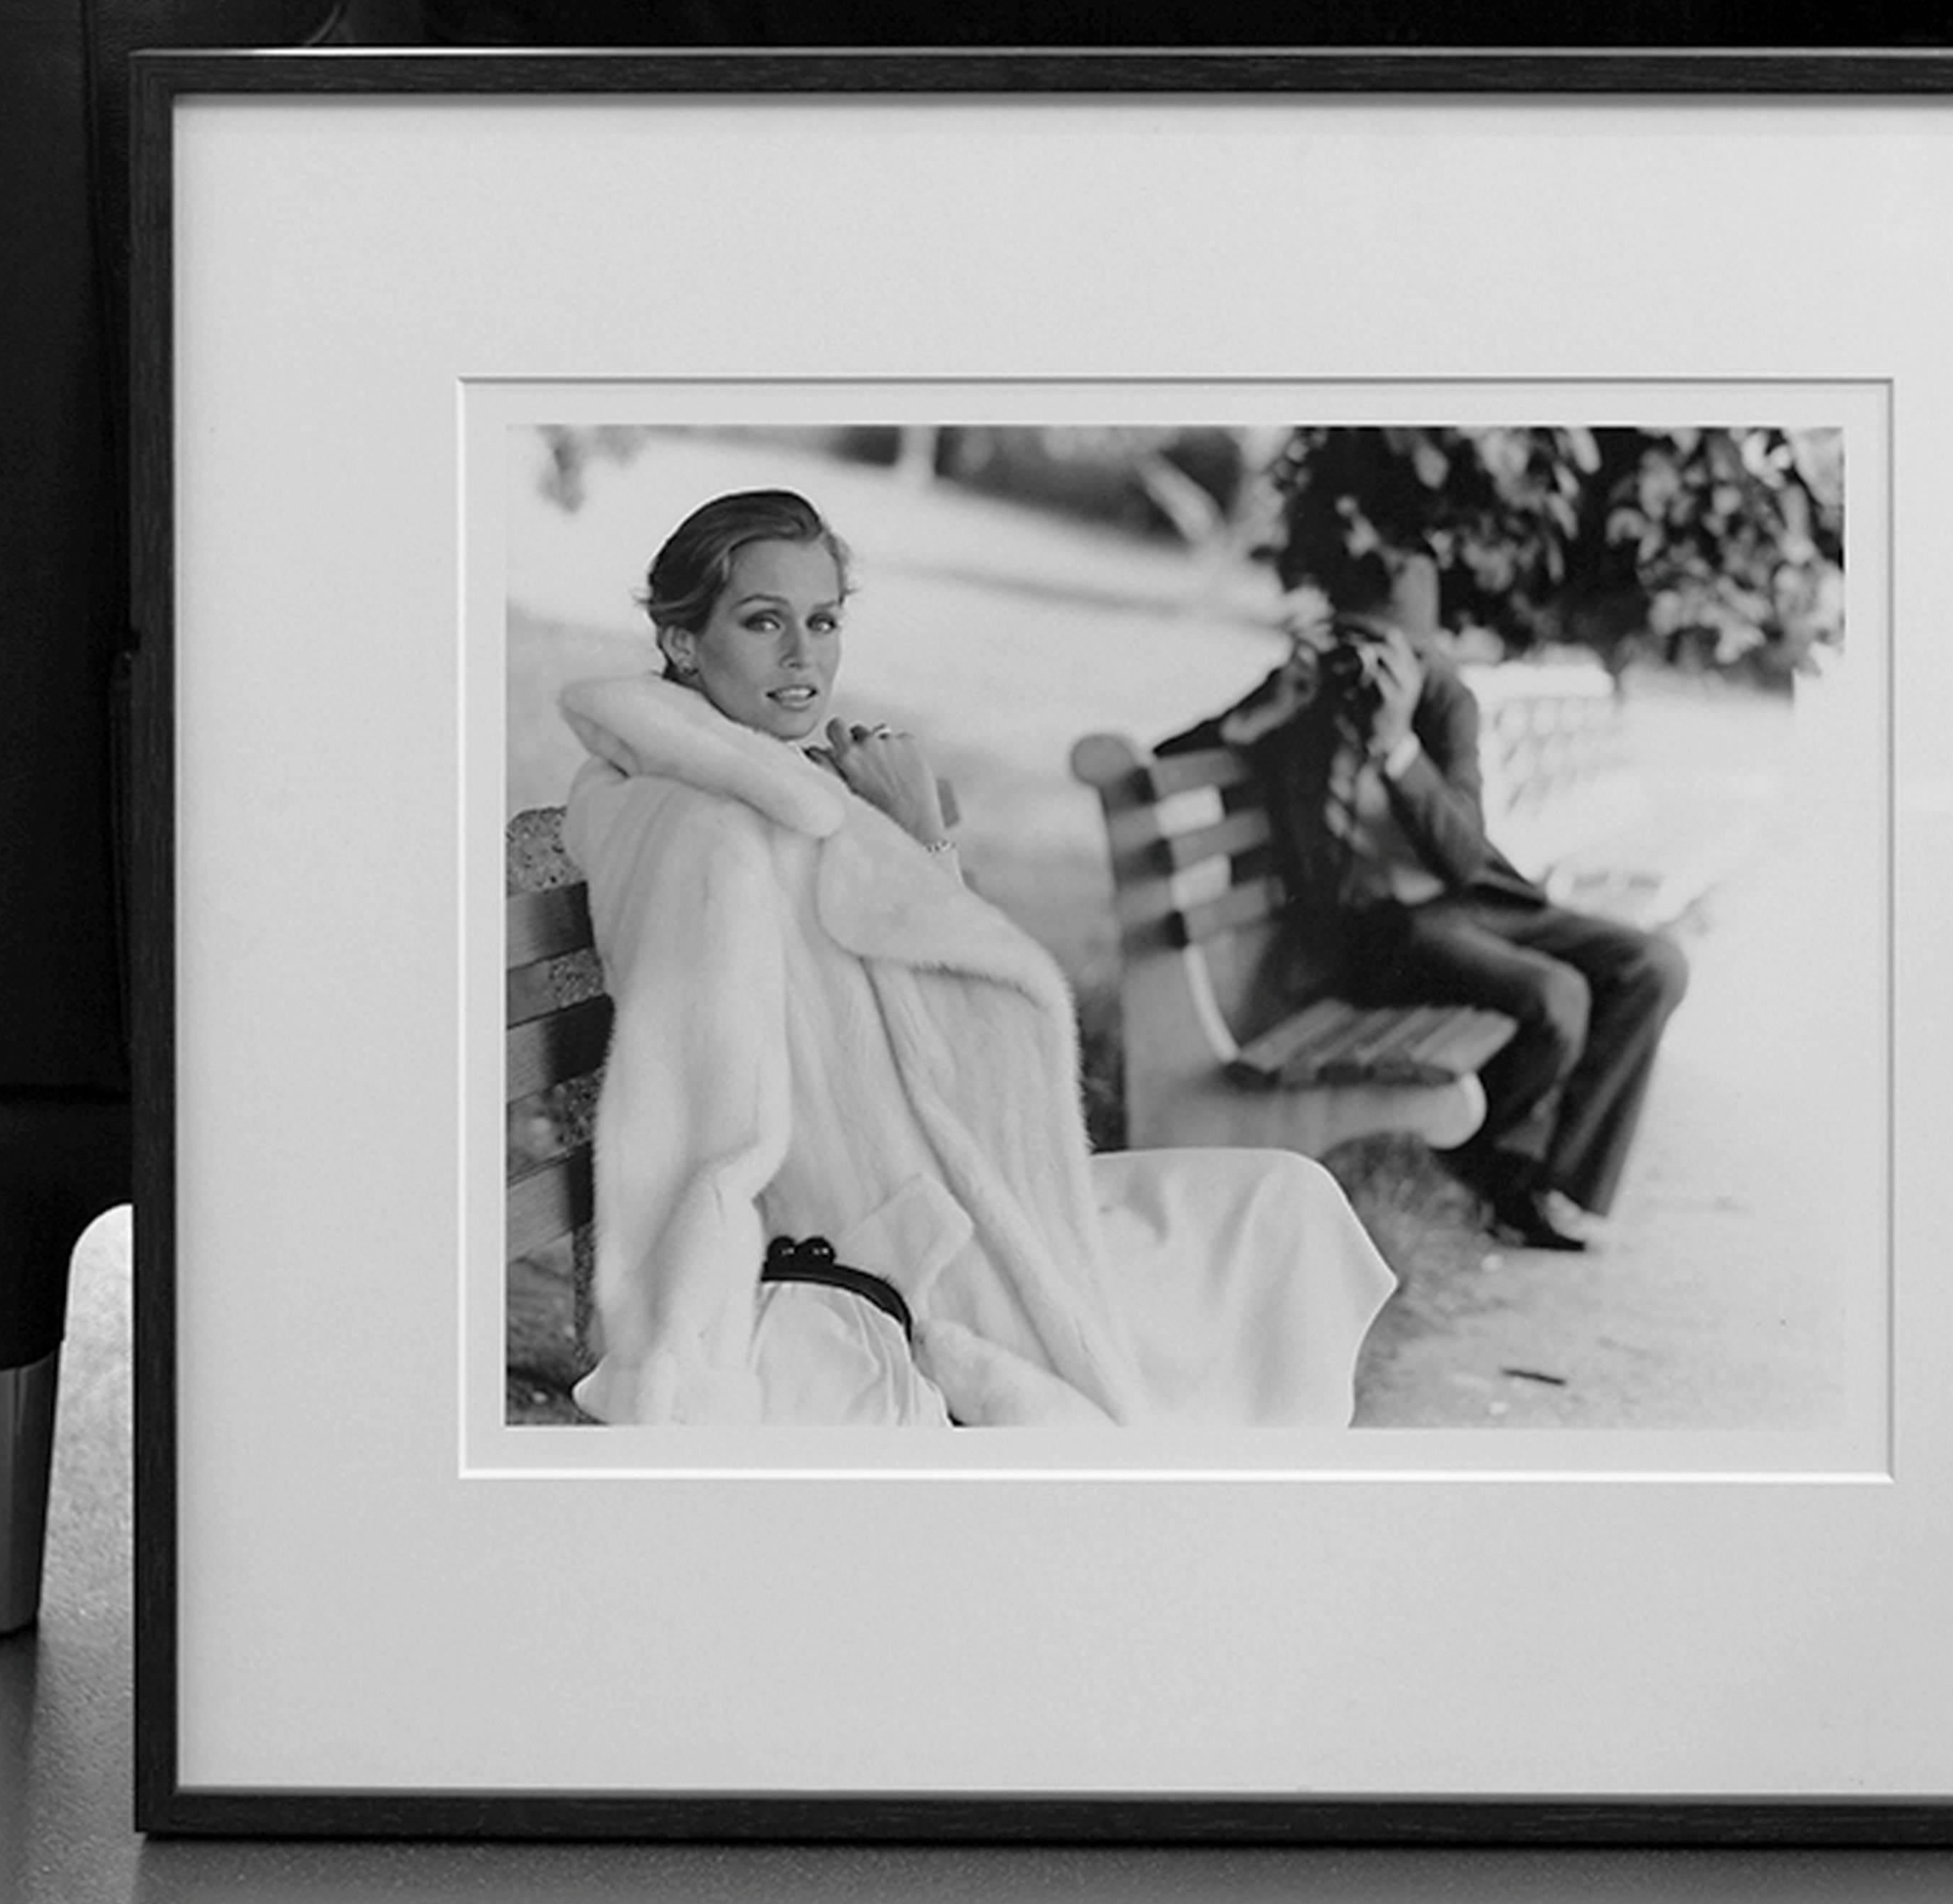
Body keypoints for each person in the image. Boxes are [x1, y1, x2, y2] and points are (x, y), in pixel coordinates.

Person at [555, 488, 1396, 1427]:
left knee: (1286, 1202)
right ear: (680, 641)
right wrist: (679, 1367)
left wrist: (916, 839)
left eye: (824, 619)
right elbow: (704, 1121)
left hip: (960, 1196)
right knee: (1272, 1226)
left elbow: (931, 1013)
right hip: (905, 1248)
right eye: (763, 621)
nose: (805, 656)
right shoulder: (715, 832)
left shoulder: (769, 786)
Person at [1161, 549, 1688, 1254]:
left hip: (1472, 899)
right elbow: (1159, 767)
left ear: (1422, 650)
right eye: (1352, 638)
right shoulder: (1300, 692)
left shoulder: (1443, 700)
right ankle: (1508, 1184)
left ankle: (1550, 1174)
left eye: (1389, 647)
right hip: (1378, 931)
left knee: (1653, 963)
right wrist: (1259, 718)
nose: (1366, 664)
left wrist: (1398, 749)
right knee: (1553, 995)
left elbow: (1462, 852)